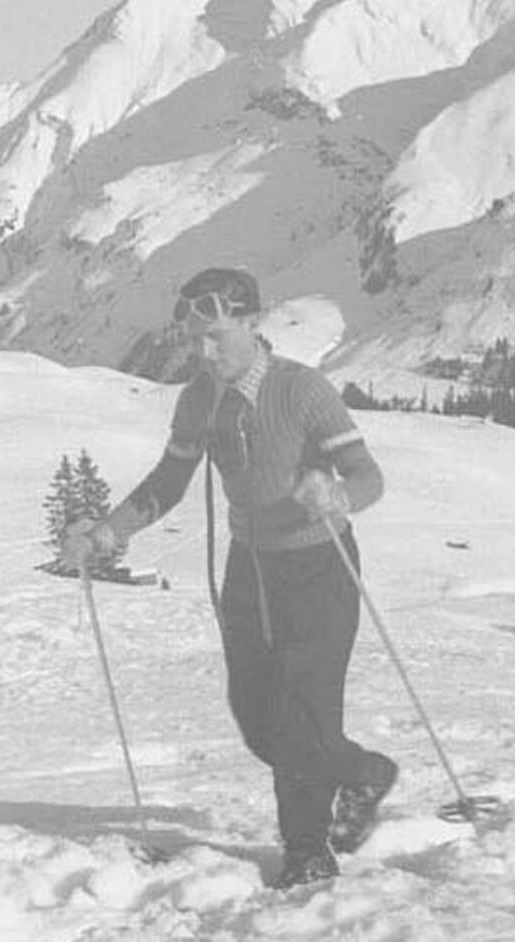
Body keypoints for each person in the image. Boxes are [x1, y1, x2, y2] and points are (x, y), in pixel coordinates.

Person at [70, 266, 401, 890]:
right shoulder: (198, 400)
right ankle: (364, 773)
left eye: (216, 336)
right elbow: (170, 481)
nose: (204, 351)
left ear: (252, 323)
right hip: (247, 569)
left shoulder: (301, 390)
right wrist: (108, 532)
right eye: (194, 339)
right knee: (257, 718)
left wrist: (337, 496)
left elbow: (367, 475)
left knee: (301, 718)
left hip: (318, 566)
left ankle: (307, 855)